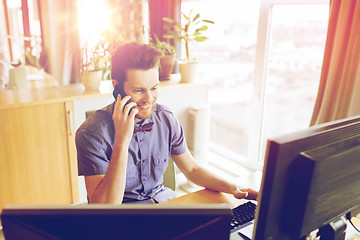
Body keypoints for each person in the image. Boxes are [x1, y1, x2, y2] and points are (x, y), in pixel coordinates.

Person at [76, 42, 258, 204]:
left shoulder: (166, 118)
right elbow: (105, 207)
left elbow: (192, 169)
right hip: (124, 220)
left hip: (166, 204)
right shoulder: (91, 134)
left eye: (154, 88)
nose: (149, 99)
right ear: (117, 87)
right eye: (139, 90)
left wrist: (233, 188)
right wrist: (122, 142)